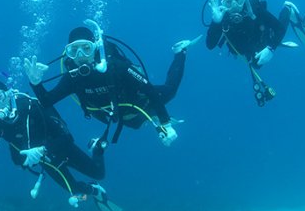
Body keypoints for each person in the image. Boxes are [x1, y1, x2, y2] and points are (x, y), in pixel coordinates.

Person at [24, 19, 189, 148]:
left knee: (170, 90)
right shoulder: (72, 78)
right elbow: (46, 101)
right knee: (135, 124)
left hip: (139, 102)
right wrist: (35, 83)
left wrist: (166, 123)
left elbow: (150, 91)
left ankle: (180, 52)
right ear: (69, 54)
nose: (80, 55)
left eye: (86, 48)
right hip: (115, 115)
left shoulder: (117, 67)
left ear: (95, 48)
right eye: (74, 51)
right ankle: (149, 118)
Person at [0, 80, 119, 211]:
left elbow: (67, 137)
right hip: (47, 161)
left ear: (8, 94)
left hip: (62, 148)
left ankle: (97, 148)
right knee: (76, 191)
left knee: (99, 173)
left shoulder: (34, 106)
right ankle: (95, 190)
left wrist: (42, 149)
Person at [204, 0, 300, 106]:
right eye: (228, 2)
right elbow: (210, 45)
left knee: (273, 39)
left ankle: (287, 9)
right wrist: (215, 22)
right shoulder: (222, 17)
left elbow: (279, 28)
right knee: (257, 64)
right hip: (245, 49)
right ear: (223, 5)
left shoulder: (254, 9)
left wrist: (271, 48)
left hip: (263, 38)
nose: (234, 5)